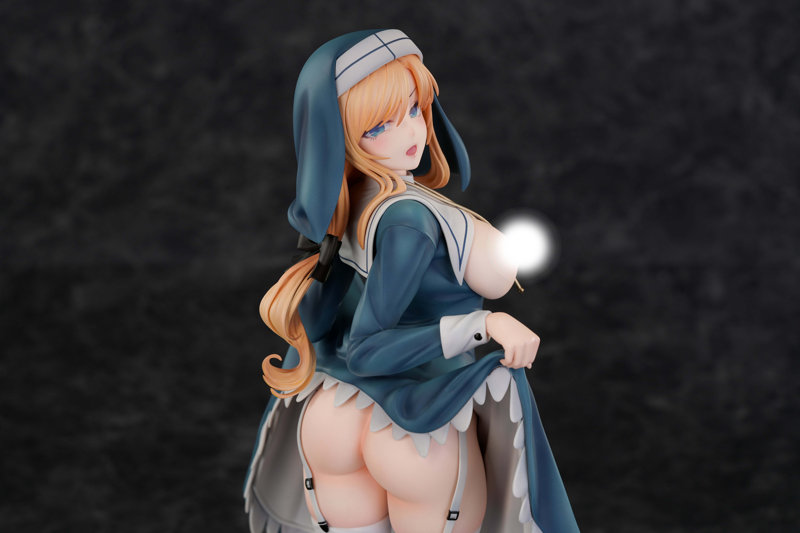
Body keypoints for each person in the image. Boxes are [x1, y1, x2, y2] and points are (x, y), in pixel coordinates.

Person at [243, 30, 579, 533]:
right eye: (379, 125)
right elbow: (367, 349)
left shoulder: (350, 199)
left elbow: (320, 323)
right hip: (416, 423)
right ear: (340, 135)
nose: (411, 131)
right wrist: (484, 325)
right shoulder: (407, 220)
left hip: (333, 413)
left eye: (414, 108)